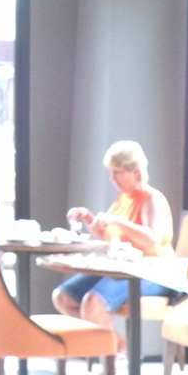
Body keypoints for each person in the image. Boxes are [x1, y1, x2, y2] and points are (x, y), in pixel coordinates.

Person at [52, 139, 172, 332]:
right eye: (111, 173)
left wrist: (118, 221)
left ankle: (107, 349)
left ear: (135, 172)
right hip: (121, 269)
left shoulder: (152, 199)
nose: (112, 179)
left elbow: (152, 241)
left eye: (117, 173)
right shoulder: (123, 199)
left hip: (152, 272)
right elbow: (108, 235)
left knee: (93, 302)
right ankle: (114, 344)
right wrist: (88, 218)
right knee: (63, 298)